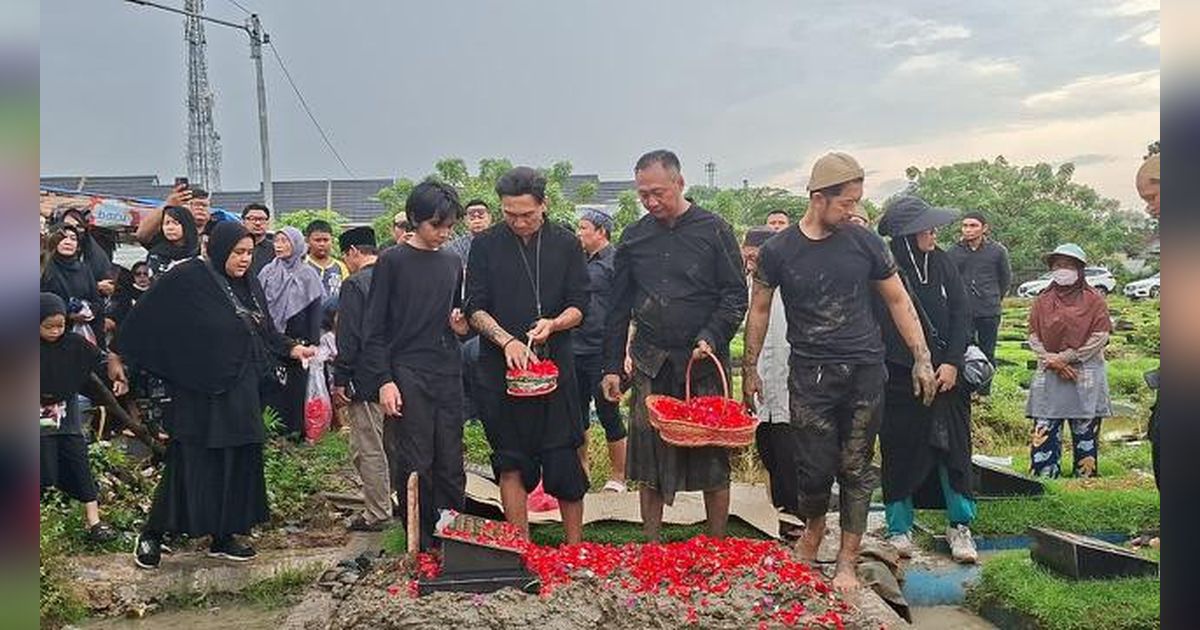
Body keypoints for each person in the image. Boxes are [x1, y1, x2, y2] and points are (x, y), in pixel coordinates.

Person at [743, 152, 937, 593]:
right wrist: (749, 368)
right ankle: (813, 529)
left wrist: (921, 356)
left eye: (856, 202)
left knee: (855, 466)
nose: (853, 211)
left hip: (864, 371)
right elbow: (759, 309)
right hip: (809, 374)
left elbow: (898, 299)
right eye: (846, 203)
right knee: (812, 468)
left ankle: (847, 557)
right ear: (818, 198)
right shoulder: (779, 250)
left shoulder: (865, 243)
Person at [112, 222, 314, 568]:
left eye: (249, 253)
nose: (244, 260)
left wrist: (293, 348)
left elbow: (263, 330)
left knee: (238, 460)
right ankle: (153, 533)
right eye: (237, 252)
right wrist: (118, 356)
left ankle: (224, 534)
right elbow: (143, 318)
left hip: (241, 388)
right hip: (200, 390)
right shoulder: (188, 277)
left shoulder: (248, 284)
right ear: (219, 249)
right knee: (190, 462)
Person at [600, 150, 748, 542]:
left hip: (702, 360)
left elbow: (735, 295)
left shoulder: (714, 230)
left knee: (712, 458)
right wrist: (612, 366)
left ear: (679, 183)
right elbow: (617, 307)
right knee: (648, 460)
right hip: (651, 360)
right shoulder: (634, 237)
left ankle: (715, 543)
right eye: (643, 194)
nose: (650, 201)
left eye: (658, 192)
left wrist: (712, 335)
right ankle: (652, 543)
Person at [466, 167, 590, 544]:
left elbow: (580, 305)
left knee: (565, 460)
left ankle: (574, 547)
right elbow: (474, 307)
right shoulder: (486, 244)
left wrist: (554, 323)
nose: (519, 222)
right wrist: (507, 341)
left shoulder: (566, 244)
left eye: (527, 214)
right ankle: (519, 547)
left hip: (555, 369)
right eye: (510, 214)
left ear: (544, 204)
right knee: (510, 460)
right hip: (500, 372)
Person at [363, 181, 470, 549]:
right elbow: (374, 328)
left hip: (447, 369)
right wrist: (384, 380)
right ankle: (420, 540)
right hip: (407, 370)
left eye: (449, 226)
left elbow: (456, 317)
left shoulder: (452, 262)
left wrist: (461, 328)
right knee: (416, 459)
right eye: (435, 225)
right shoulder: (392, 261)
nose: (443, 233)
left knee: (451, 460)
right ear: (414, 219)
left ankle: (451, 538)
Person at [875, 196, 978, 564]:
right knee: (899, 451)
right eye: (926, 228)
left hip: (947, 378)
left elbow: (962, 313)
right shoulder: (884, 267)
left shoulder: (943, 262)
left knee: (954, 451)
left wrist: (951, 363)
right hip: (899, 379)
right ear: (907, 235)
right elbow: (879, 324)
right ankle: (899, 529)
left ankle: (960, 526)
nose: (934, 233)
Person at [1026, 243, 1111, 479]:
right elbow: (1033, 334)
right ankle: (1045, 475)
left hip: (1085, 371)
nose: (1062, 270)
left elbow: (1100, 336)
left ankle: (1084, 478)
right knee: (1045, 422)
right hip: (1050, 371)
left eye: (1068, 265)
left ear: (1080, 269)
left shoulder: (1094, 300)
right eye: (1058, 265)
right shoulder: (1042, 300)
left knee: (1085, 426)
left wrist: (1066, 358)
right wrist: (1051, 359)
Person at [40, 293, 119, 545]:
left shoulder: (74, 344)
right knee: (45, 469)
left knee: (79, 462)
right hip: (37, 418)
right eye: (48, 327)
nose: (55, 331)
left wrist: (116, 373)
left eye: (60, 325)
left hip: (67, 413)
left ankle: (94, 522)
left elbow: (97, 361)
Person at [741, 227, 802, 539]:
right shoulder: (749, 285)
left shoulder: (792, 282)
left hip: (790, 374)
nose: (750, 262)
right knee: (768, 445)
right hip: (763, 376)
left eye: (755, 256)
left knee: (789, 446)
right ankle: (779, 510)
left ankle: (797, 513)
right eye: (747, 256)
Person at [331, 226, 391, 531]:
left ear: (353, 251)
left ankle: (378, 512)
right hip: (400, 375)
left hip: (366, 377)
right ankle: (400, 502)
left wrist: (341, 377)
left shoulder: (355, 284)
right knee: (394, 444)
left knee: (369, 447)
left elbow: (349, 335)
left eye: (346, 256)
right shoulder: (395, 278)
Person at [574, 209, 628, 493]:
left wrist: (625, 352)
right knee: (577, 415)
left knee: (608, 412)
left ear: (601, 231)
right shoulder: (579, 261)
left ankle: (618, 476)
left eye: (583, 227)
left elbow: (628, 311)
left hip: (603, 350)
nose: (579, 233)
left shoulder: (616, 262)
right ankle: (581, 471)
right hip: (575, 347)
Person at [259, 226, 326, 439]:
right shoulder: (267, 272)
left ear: (296, 244)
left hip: (300, 341)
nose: (279, 245)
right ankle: (273, 432)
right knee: (273, 388)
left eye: (285, 241)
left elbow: (315, 309)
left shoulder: (308, 274)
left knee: (296, 389)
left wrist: (313, 341)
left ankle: (296, 431)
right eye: (277, 241)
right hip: (272, 340)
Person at [947, 211, 1011, 396]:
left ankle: (984, 392)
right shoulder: (953, 252)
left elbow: (1005, 280)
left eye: (973, 225)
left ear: (984, 228)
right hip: (962, 311)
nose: (968, 230)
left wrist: (993, 298)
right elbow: (949, 280)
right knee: (962, 349)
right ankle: (964, 389)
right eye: (965, 225)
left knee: (988, 351)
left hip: (989, 310)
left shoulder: (997, 251)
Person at [41, 223, 105, 349]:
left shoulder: (84, 269)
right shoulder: (44, 268)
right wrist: (67, 314)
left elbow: (96, 299)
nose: (68, 242)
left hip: (82, 334)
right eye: (63, 238)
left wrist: (90, 312)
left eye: (73, 238)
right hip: (51, 335)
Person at [136, 185, 213, 247]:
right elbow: (142, 236)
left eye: (204, 205)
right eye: (195, 204)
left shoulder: (215, 230)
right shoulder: (171, 232)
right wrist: (167, 205)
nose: (200, 208)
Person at [144, 205, 200, 279]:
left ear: (186, 225)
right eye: (166, 223)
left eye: (175, 223)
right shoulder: (156, 255)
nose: (170, 228)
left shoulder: (199, 252)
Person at [304, 220, 349, 297]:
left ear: (332, 241)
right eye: (317, 240)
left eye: (326, 240)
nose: (322, 244)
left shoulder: (341, 267)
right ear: (307, 241)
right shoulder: (302, 265)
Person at [446, 199, 494, 264]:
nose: (477, 221)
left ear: (489, 218)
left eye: (481, 216)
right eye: (472, 217)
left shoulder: (500, 242)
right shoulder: (456, 246)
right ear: (465, 220)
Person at [242, 203, 275, 277]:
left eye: (262, 219)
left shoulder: (275, 249)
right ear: (243, 222)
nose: (257, 223)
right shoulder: (234, 247)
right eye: (252, 219)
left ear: (268, 222)